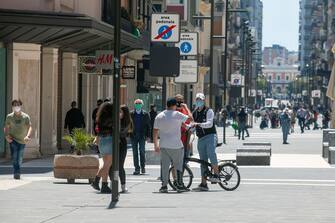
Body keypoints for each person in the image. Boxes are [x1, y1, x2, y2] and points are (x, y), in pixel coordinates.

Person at [153, 98, 193, 193]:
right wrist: (186, 108)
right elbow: (190, 118)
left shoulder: (160, 116)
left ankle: (164, 186)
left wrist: (156, 144)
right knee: (178, 164)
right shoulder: (177, 114)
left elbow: (155, 131)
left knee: (165, 166)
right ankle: (179, 184)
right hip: (176, 145)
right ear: (174, 105)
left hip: (163, 145)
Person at [192, 93, 220, 192]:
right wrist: (188, 129)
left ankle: (217, 174)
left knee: (211, 153)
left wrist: (198, 124)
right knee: (202, 161)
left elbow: (209, 124)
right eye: (197, 100)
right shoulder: (194, 112)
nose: (199, 101)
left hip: (211, 136)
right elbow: (193, 126)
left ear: (204, 101)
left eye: (201, 100)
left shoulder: (209, 111)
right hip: (201, 138)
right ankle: (204, 183)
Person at [3, 99, 32, 180]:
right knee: (15, 156)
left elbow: (30, 127)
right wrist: (6, 136)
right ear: (12, 106)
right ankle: (17, 172)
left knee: (19, 157)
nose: (16, 106)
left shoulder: (25, 116)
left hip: (23, 140)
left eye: (18, 105)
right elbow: (6, 127)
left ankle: (17, 170)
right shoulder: (9, 116)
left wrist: (28, 136)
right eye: (15, 105)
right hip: (13, 139)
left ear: (21, 106)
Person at [91, 102, 113, 194]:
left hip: (101, 140)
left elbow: (96, 130)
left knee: (105, 164)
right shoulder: (112, 118)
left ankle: (96, 181)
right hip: (109, 139)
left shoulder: (99, 118)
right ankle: (104, 185)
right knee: (107, 165)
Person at [130, 99, 151, 175]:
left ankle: (143, 167)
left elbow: (148, 126)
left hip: (142, 135)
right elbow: (129, 125)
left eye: (139, 103)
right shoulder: (131, 114)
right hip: (133, 135)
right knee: (135, 153)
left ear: (142, 105)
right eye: (136, 103)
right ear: (134, 104)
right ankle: (137, 168)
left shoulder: (145, 114)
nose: (138, 104)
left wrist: (148, 136)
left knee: (142, 152)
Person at [119, 105, 133, 193]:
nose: (119, 113)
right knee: (112, 166)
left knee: (120, 166)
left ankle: (123, 186)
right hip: (116, 143)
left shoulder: (127, 121)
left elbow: (121, 132)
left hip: (122, 143)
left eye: (120, 111)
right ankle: (113, 183)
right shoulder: (118, 120)